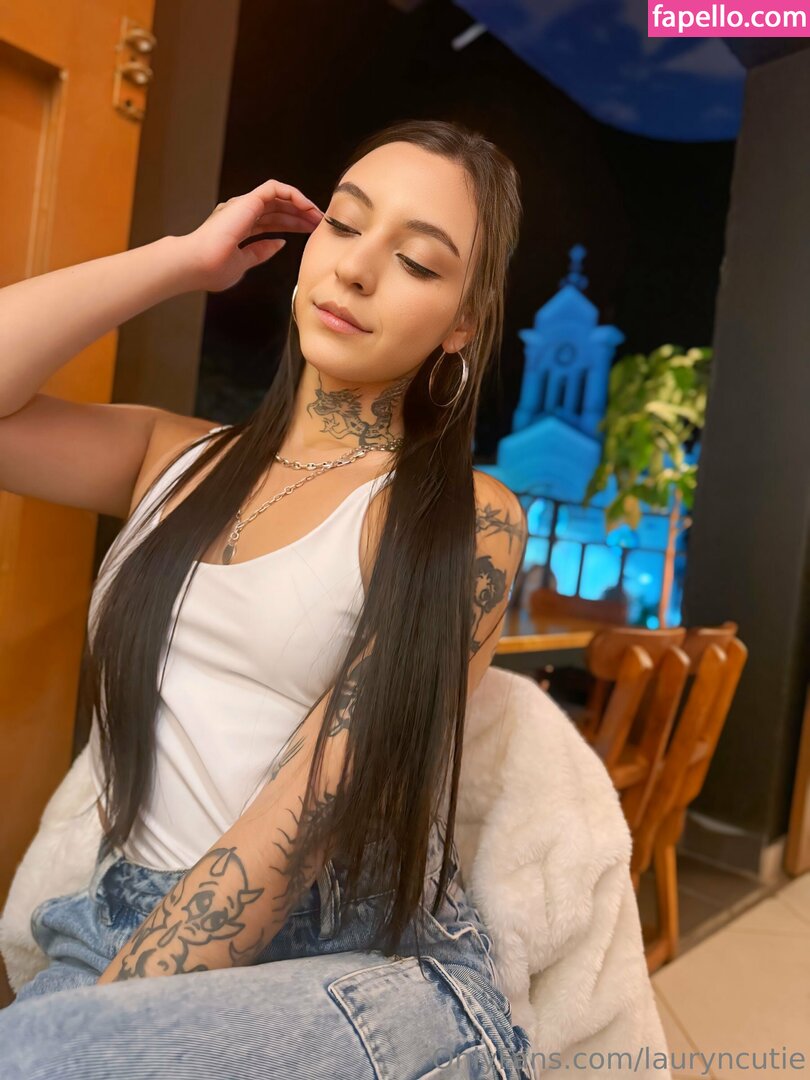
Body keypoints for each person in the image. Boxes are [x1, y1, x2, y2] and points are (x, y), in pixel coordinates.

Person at [0, 118, 535, 1078]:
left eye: (417, 261)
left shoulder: (458, 518)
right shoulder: (174, 460)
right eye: (344, 224)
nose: (357, 269)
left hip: (348, 963)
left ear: (462, 323)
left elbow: (306, 815)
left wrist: (97, 1031)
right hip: (119, 916)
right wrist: (181, 259)